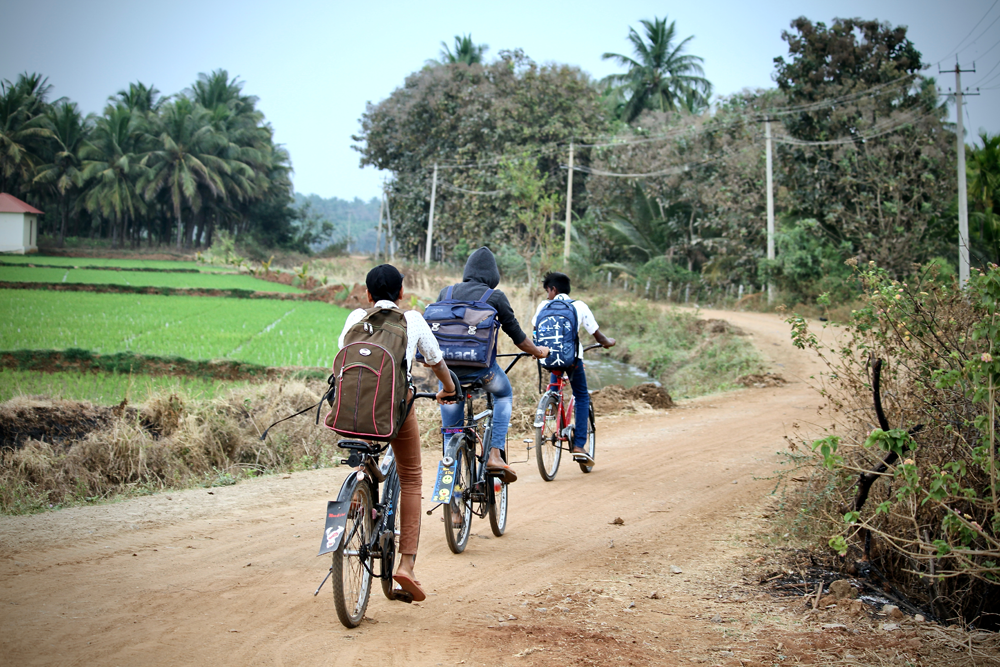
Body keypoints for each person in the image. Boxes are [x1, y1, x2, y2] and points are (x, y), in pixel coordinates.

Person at [337, 264, 457, 602]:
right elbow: (435, 360)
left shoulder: (355, 318)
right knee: (413, 477)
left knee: (367, 449)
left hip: (354, 411)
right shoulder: (413, 320)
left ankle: (361, 480)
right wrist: (448, 387)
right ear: (401, 293)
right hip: (394, 411)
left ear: (368, 294)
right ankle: (406, 564)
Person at [437, 247, 550, 484]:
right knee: (504, 394)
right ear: (493, 275)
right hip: (483, 371)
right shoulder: (494, 297)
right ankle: (494, 453)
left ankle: (452, 503)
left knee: (451, 436)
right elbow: (519, 339)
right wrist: (539, 352)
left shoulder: (445, 293)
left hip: (448, 376)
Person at [531, 271, 615, 466]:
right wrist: (608, 342)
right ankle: (578, 446)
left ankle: (551, 412)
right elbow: (599, 337)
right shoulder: (579, 306)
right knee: (581, 395)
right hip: (573, 360)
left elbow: (536, 329)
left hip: (549, 357)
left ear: (553, 289)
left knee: (555, 382)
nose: (547, 296)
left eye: (547, 291)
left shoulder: (543, 306)